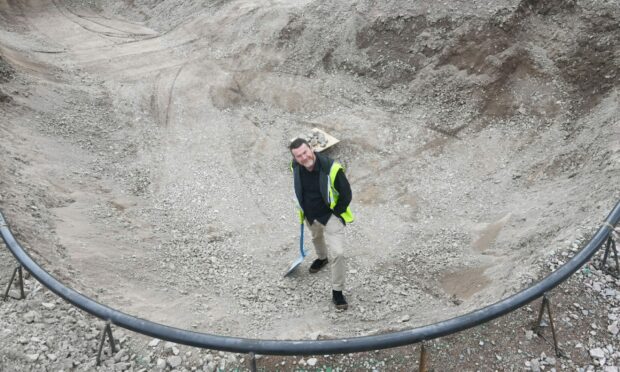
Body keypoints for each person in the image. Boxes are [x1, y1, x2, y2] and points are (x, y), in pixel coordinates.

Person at [289, 138, 354, 310]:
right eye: (299, 156)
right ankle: (322, 258)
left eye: (305, 152)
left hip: (330, 216)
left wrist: (336, 213)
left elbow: (346, 194)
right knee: (316, 237)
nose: (304, 157)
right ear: (295, 159)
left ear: (311, 149)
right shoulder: (295, 167)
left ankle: (337, 292)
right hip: (310, 215)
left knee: (339, 253)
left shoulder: (331, 169)